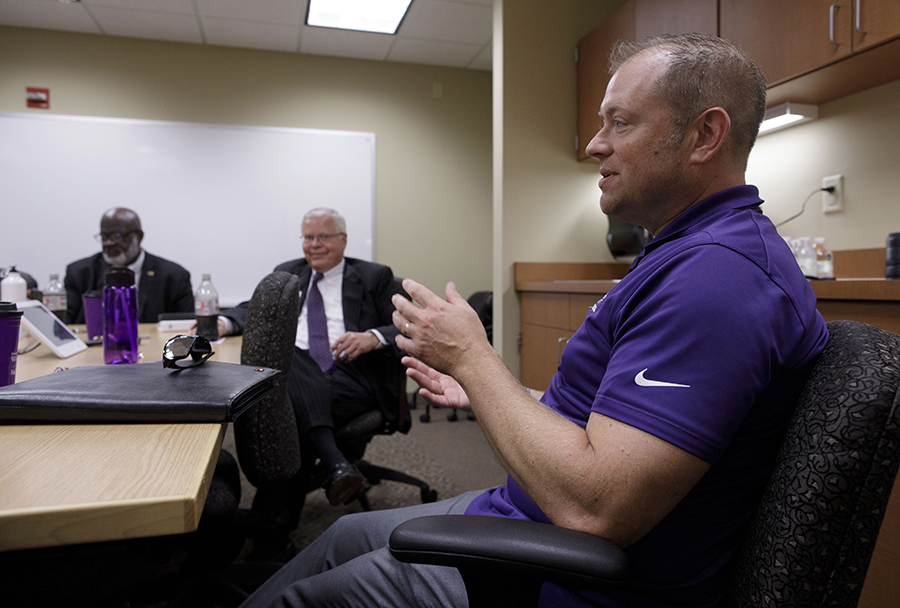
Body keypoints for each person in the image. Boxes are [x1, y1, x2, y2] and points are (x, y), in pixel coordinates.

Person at [238, 33, 829, 608]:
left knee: (303, 597)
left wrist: (472, 357)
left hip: (570, 576)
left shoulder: (717, 283)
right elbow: (621, 425)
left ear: (705, 135)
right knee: (340, 536)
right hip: (526, 515)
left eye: (620, 123)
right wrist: (490, 384)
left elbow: (596, 507)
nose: (596, 145)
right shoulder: (689, 255)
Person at [222, 207, 405, 507]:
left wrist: (372, 337)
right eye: (308, 237)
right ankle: (336, 469)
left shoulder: (374, 276)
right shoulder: (289, 271)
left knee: (283, 406)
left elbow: (406, 324)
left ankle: (274, 525)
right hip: (299, 373)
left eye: (324, 237)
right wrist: (225, 322)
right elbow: (257, 306)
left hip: (352, 372)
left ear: (343, 240)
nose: (315, 244)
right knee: (288, 360)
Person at [64, 207, 193, 324]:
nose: (109, 243)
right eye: (104, 236)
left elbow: (187, 328)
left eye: (117, 236)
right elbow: (66, 324)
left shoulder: (173, 276)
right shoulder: (80, 273)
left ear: (139, 236)